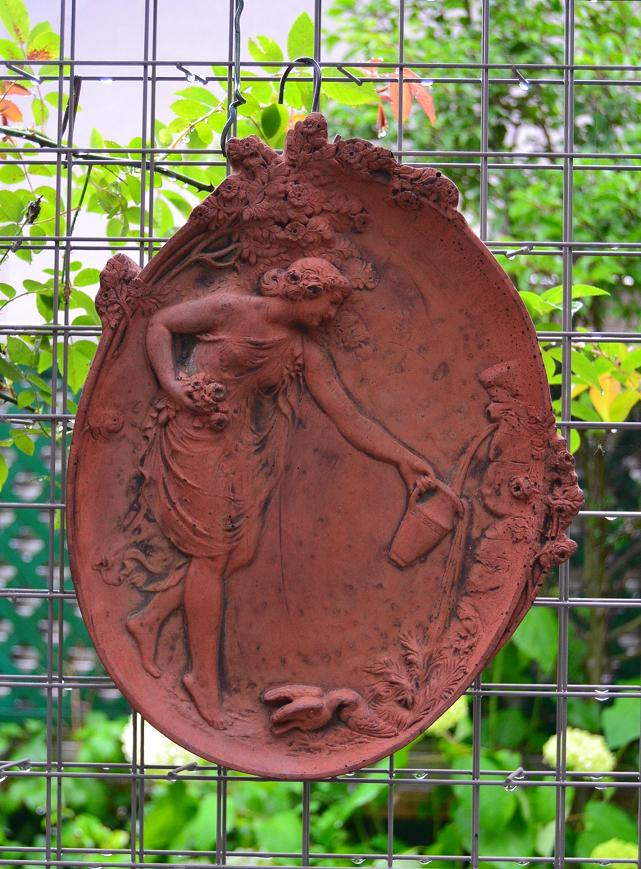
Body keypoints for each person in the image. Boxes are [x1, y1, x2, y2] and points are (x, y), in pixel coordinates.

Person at [125, 256, 436, 728]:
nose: (330, 316)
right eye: (329, 304)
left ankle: (149, 620)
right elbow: (160, 324)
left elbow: (348, 417)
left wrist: (403, 458)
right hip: (196, 437)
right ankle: (202, 680)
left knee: (241, 550)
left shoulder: (301, 351)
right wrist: (172, 385)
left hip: (239, 449)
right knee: (213, 555)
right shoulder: (230, 310)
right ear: (305, 292)